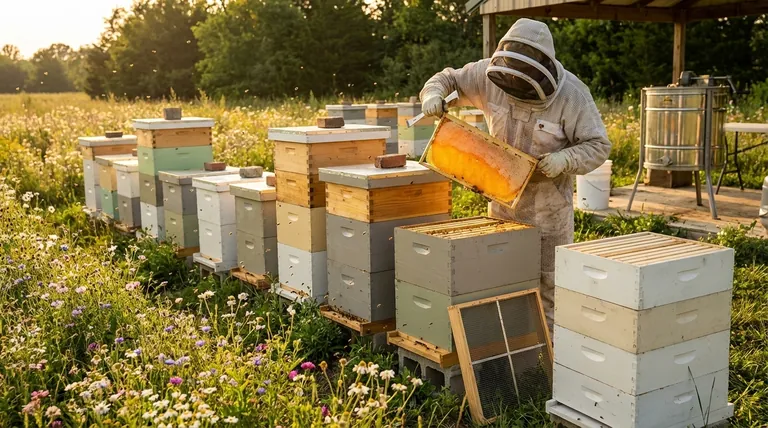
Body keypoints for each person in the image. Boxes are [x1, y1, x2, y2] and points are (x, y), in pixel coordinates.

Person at [420, 18, 611, 334]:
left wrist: (565, 159)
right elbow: (448, 78)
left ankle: (548, 366)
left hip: (550, 215)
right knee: (504, 285)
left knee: (551, 288)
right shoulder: (487, 75)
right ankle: (514, 359)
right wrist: (432, 93)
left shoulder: (573, 95)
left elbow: (598, 145)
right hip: (502, 209)